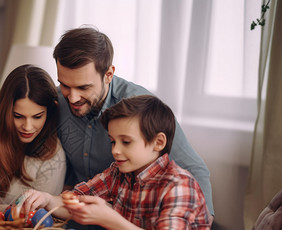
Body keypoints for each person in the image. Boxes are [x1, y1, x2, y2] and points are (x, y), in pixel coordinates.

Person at [22, 95, 224, 230]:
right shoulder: (119, 173)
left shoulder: (178, 184)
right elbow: (77, 200)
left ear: (158, 142)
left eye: (125, 142)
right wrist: (48, 199)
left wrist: (109, 218)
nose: (115, 150)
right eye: (113, 141)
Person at [53, 26, 214, 218]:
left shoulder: (140, 108)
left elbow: (194, 169)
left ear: (108, 75)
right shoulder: (55, 101)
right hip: (78, 218)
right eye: (64, 85)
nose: (72, 98)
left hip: (134, 225)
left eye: (83, 87)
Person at [0, 64, 66, 212]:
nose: (27, 127)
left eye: (37, 117)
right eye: (18, 116)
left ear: (50, 112)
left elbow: (38, 216)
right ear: (6, 111)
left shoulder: (53, 155)